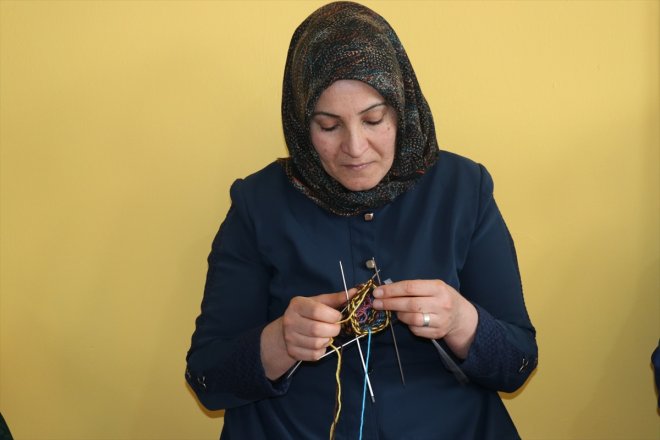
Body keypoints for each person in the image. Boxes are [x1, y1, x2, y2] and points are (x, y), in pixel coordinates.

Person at [185, 2, 538, 439]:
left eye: (373, 119)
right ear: (301, 124)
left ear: (401, 109)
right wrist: (280, 341)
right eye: (328, 126)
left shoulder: (464, 189)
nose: (355, 147)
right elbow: (207, 379)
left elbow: (518, 364)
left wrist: (461, 322)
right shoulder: (258, 204)